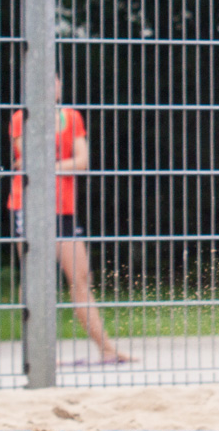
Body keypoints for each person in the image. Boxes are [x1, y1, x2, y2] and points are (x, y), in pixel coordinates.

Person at [7, 77, 133, 364]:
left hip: (62, 208)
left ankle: (107, 350)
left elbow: (82, 161)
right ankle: (39, 354)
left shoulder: (72, 116)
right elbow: (29, 159)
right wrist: (50, 164)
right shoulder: (20, 117)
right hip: (27, 204)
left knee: (81, 276)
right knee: (35, 279)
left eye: (55, 80)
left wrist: (45, 165)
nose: (52, 85)